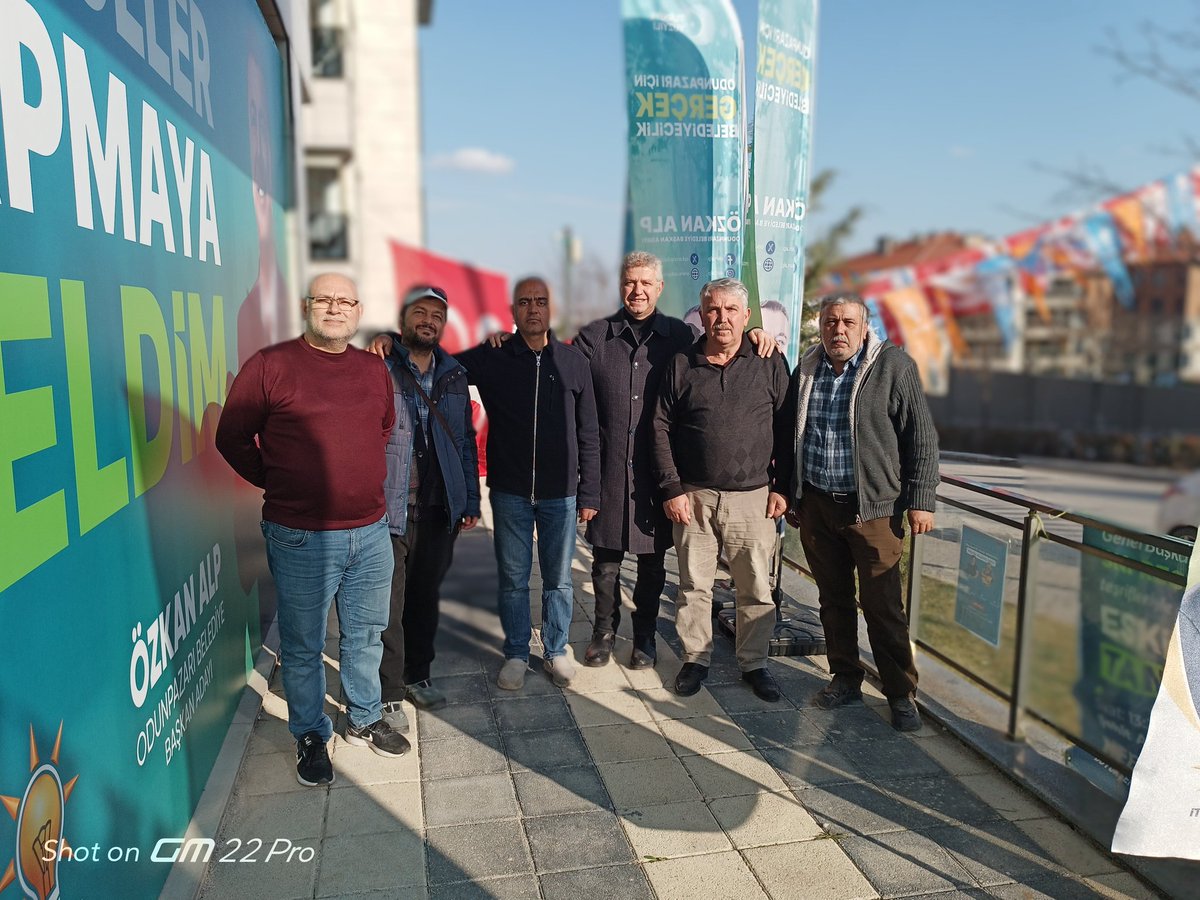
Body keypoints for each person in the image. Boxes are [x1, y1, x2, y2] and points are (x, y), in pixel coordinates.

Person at [492, 253, 776, 670]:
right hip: (606, 467)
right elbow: (559, 371)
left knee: (651, 561)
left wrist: (755, 335)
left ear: (659, 288)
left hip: (659, 470)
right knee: (605, 560)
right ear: (621, 286)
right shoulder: (594, 336)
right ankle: (603, 632)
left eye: (646, 283)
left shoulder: (679, 336)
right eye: (630, 282)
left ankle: (644, 635)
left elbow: (722, 343)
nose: (637, 290)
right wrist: (508, 340)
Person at [216, 273, 409, 788]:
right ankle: (309, 733)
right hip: (300, 535)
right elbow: (231, 436)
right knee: (302, 645)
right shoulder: (270, 366)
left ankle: (364, 716)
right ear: (307, 306)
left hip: (370, 533)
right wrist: (277, 478)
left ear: (357, 309)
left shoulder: (373, 370)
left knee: (366, 634)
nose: (334, 308)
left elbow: (383, 428)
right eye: (324, 299)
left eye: (344, 301)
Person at [784, 293, 939, 732]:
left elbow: (922, 439)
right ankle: (845, 677)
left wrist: (921, 500)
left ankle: (900, 692)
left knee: (883, 604)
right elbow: (789, 433)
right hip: (817, 505)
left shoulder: (894, 366)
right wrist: (794, 494)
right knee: (833, 600)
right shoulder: (809, 367)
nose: (839, 330)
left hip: (874, 510)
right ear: (820, 325)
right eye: (831, 321)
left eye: (848, 322)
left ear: (864, 326)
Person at [456, 277, 601, 691]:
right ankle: (517, 653)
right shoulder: (495, 357)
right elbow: (440, 363)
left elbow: (589, 433)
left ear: (551, 308)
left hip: (561, 494)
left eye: (541, 301)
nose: (533, 308)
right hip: (510, 492)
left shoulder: (573, 363)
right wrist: (388, 341)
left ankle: (556, 651)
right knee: (513, 579)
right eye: (524, 302)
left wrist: (589, 491)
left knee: (559, 579)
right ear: (513, 311)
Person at [653, 277, 793, 701]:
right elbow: (659, 426)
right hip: (693, 496)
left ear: (746, 316)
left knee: (754, 586)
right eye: (713, 310)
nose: (722, 318)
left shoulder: (769, 361)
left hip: (753, 497)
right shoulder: (682, 363)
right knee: (694, 584)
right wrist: (671, 487)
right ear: (702, 315)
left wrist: (783, 487)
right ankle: (696, 658)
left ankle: (754, 662)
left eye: (731, 310)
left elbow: (788, 430)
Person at [377, 286, 481, 732]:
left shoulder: (454, 374)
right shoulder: (380, 366)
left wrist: (470, 500)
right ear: (403, 321)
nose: (429, 321)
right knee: (388, 604)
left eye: (437, 315)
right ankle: (388, 695)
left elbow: (463, 443)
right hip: (390, 510)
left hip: (438, 510)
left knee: (424, 599)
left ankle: (418, 674)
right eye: (420, 312)